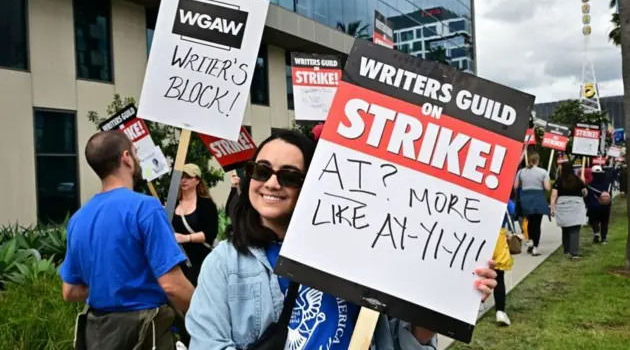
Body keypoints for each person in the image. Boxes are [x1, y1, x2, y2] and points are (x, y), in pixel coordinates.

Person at [185, 130, 498, 350]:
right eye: (262, 170)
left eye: (290, 175)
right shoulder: (224, 264)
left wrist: (449, 299)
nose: (273, 183)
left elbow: (404, 341)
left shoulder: (357, 255)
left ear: (313, 184)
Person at [59, 130, 194, 350]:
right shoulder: (145, 208)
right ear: (126, 158)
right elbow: (172, 286)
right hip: (144, 333)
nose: (138, 158)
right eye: (135, 152)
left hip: (98, 335)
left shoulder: (77, 219)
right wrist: (210, 313)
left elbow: (70, 291)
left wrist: (113, 285)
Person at [173, 163, 219, 286]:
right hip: (180, 263)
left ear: (197, 180)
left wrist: (186, 238)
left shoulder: (206, 204)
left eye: (188, 177)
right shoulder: (172, 204)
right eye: (182, 177)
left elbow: (210, 233)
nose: (184, 180)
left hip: (202, 261)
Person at [514, 152, 551, 256]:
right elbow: (548, 187)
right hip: (538, 197)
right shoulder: (543, 172)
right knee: (537, 223)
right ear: (538, 161)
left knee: (529, 220)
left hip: (525, 198)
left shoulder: (521, 172)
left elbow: (516, 186)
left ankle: (530, 240)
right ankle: (535, 247)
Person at [550, 162, 588, 260]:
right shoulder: (578, 179)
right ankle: (574, 253)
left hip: (562, 205)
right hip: (576, 205)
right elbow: (585, 193)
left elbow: (554, 195)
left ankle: (566, 250)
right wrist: (583, 185)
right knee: (574, 229)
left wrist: (552, 207)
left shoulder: (559, 180)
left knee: (565, 228)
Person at [492, 200, 515, 326]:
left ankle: (478, 304)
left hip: (478, 235)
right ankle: (500, 311)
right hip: (498, 237)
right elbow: (512, 210)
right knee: (498, 276)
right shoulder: (502, 194)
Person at [586, 165, 613, 244]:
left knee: (594, 220)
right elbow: (610, 194)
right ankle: (604, 238)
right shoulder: (608, 183)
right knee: (604, 222)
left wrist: (587, 204)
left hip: (593, 205)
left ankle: (596, 233)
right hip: (605, 205)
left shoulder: (590, 184)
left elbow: (588, 196)